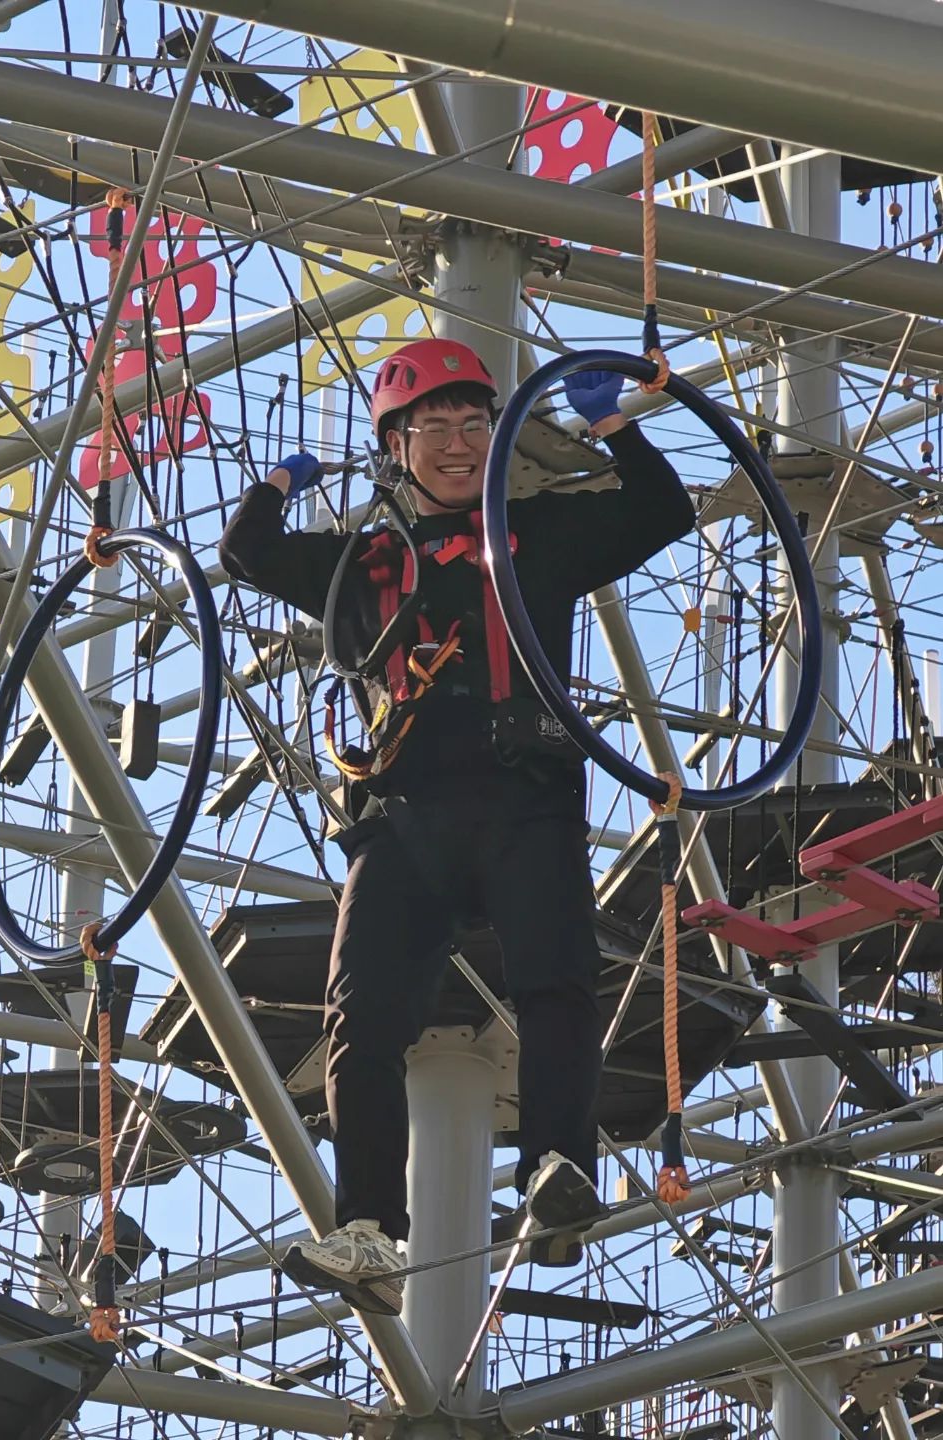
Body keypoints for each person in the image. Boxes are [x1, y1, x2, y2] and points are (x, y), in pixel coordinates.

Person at [219, 337, 695, 1316]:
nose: (457, 443)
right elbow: (245, 554)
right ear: (395, 447)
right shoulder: (361, 566)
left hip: (526, 799)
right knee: (362, 1015)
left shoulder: (540, 535)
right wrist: (279, 482)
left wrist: (613, 422)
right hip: (407, 814)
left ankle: (558, 1166)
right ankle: (368, 1228)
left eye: (474, 424)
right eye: (432, 427)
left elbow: (662, 511)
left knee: (557, 981)